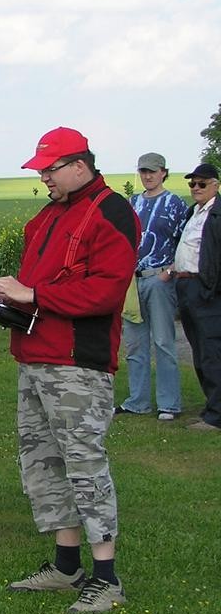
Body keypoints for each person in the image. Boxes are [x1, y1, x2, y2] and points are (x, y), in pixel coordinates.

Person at [0, 126, 138, 614]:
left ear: (79, 165)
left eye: (50, 169)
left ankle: (106, 578)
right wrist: (10, 297)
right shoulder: (50, 214)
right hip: (35, 355)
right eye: (41, 171)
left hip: (78, 364)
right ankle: (67, 565)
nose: (44, 178)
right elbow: (42, 284)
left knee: (84, 464)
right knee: (43, 464)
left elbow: (106, 292)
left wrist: (33, 294)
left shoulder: (111, 211)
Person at [115, 153, 188, 420]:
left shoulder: (175, 203)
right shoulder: (132, 202)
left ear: (163, 173)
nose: (147, 176)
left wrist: (169, 272)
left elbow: (186, 241)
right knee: (135, 344)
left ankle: (169, 404)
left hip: (159, 279)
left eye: (152, 171)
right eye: (143, 171)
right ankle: (138, 401)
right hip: (133, 281)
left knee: (163, 342)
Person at [171, 162, 221, 433]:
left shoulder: (217, 214)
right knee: (199, 351)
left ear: (215, 185)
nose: (196, 188)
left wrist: (210, 288)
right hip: (186, 285)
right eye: (192, 184)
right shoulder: (195, 212)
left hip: (205, 289)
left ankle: (216, 416)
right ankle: (211, 408)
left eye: (202, 184)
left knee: (211, 351)